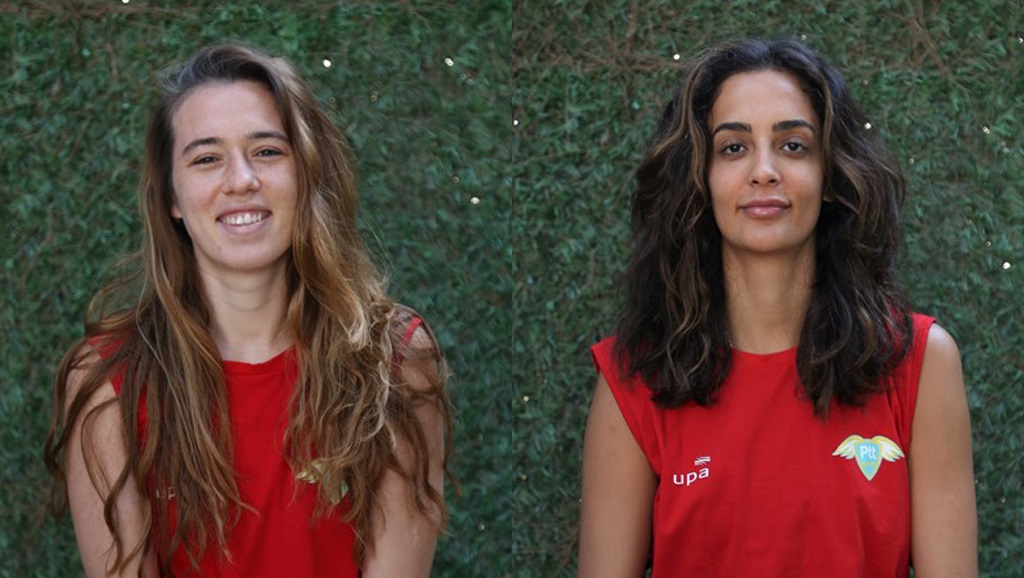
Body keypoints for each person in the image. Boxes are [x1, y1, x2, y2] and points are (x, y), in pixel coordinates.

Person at [44, 43, 451, 578]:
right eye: (206, 158)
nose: (241, 180)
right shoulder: (110, 382)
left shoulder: (393, 361)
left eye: (267, 151)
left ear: (307, 172)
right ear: (172, 197)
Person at [578, 39, 977, 577]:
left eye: (792, 146)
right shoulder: (634, 381)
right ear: (699, 178)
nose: (764, 171)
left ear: (830, 175)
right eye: (733, 148)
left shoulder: (919, 364)